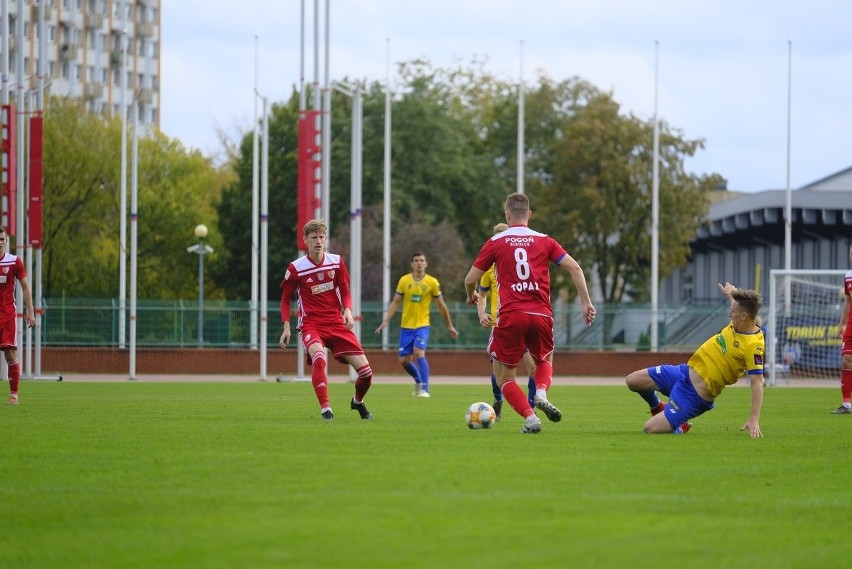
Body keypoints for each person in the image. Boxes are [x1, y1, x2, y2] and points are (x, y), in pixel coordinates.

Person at [464, 193, 596, 434]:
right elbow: (575, 268)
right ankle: (542, 393)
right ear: (529, 214)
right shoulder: (545, 241)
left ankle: (530, 418)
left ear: (507, 214)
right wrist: (586, 303)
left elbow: (470, 278)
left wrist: (470, 294)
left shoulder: (495, 241)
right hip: (541, 316)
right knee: (544, 360)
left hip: (511, 315)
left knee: (504, 377)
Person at [625, 282, 765, 437]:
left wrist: (754, 418)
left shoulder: (753, 346)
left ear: (744, 316)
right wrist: (731, 293)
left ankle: (678, 426)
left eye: (732, 312)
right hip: (683, 373)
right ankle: (658, 407)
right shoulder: (739, 320)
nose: (729, 314)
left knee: (649, 429)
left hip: (694, 395)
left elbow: (757, 382)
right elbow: (737, 304)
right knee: (632, 381)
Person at [279, 219, 374, 421]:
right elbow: (285, 299)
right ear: (305, 240)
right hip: (311, 325)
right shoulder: (296, 268)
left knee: (366, 373)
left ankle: (357, 402)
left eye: (322, 237)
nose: (318, 241)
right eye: (314, 238)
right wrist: (286, 326)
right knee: (319, 358)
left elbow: (345, 290)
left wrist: (347, 310)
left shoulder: (336, 261)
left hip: (336, 323)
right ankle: (326, 410)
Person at [375, 252, 459, 397]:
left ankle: (425, 389)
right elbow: (395, 302)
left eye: (422, 260)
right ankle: (418, 381)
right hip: (406, 326)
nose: (419, 263)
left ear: (426, 264)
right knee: (404, 360)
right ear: (412, 264)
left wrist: (450, 325)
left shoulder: (432, 282)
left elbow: (441, 305)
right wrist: (386, 320)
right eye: (416, 261)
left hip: (422, 325)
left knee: (419, 352)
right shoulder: (404, 280)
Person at [476, 222, 537, 420]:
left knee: (533, 368)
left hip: (521, 322)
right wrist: (482, 313)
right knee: (500, 374)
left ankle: (531, 408)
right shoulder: (488, 270)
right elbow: (481, 294)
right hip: (500, 325)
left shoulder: (523, 264)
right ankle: (498, 399)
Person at [0, 227, 35, 405]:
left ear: (6, 241)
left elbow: (25, 286)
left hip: (7, 315)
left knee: (10, 354)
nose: (0, 242)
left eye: (2, 239)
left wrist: (30, 311)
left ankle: (14, 395)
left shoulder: (14, 261)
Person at [831, 242, 852, 414]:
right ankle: (846, 404)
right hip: (851, 324)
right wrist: (842, 322)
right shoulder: (848, 276)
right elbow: (847, 301)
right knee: (846, 359)